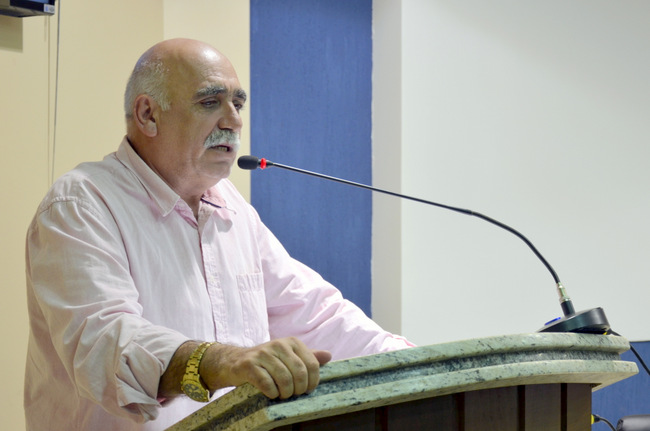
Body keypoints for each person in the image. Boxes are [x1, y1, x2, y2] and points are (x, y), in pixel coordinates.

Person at [24, 38, 413, 430]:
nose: (233, 121)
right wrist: (223, 362)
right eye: (210, 102)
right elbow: (106, 344)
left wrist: (415, 364)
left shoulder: (232, 209)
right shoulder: (81, 204)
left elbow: (315, 313)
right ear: (148, 114)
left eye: (237, 104)